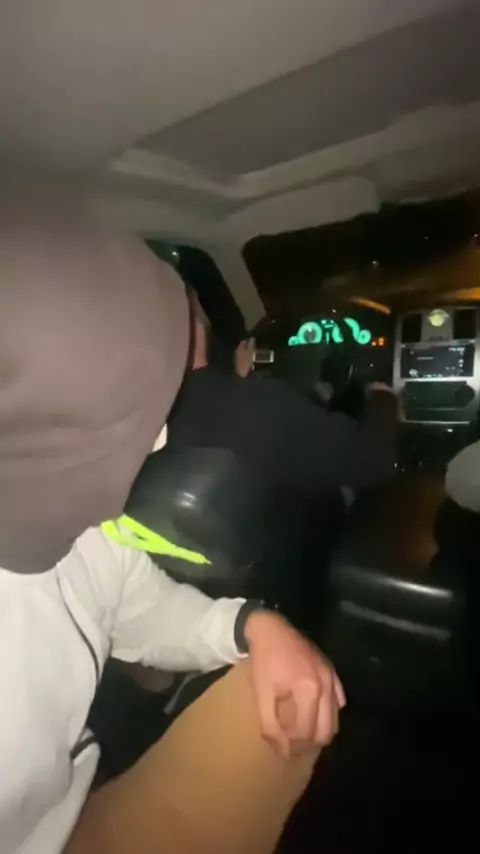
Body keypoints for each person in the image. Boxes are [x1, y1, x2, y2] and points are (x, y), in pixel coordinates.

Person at [0, 186, 345, 854]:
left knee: (282, 702)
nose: (159, 440)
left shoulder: (86, 539)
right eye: (145, 416)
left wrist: (255, 625)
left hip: (62, 806)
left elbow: (150, 609)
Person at [168, 292, 400, 496]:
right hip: (310, 514)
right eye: (200, 313)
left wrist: (239, 379)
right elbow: (372, 462)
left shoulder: (166, 422)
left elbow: (220, 419)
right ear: (192, 328)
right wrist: (383, 398)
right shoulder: (260, 402)